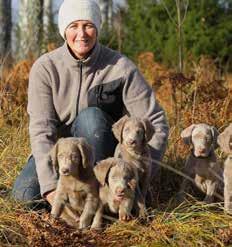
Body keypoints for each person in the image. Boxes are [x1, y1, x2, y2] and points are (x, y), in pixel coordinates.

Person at [12, 0, 169, 208]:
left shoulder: (120, 67)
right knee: (24, 197)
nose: (82, 34)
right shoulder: (45, 68)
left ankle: (100, 198)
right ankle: (70, 207)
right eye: (73, 26)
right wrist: (50, 188)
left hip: (103, 157)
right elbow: (42, 130)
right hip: (61, 155)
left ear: (97, 29)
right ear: (63, 30)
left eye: (88, 25)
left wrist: (141, 170)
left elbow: (156, 122)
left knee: (91, 118)